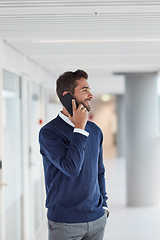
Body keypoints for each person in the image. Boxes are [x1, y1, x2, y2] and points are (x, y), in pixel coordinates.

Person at [39, 69, 109, 240]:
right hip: (65, 223)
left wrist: (104, 205)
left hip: (97, 219)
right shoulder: (49, 133)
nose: (91, 95)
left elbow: (99, 171)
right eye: (84, 90)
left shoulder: (95, 130)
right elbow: (71, 168)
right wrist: (79, 128)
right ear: (67, 96)